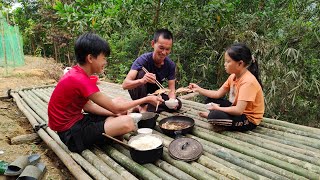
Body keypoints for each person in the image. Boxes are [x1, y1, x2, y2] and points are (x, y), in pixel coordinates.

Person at [48, 32, 163, 153]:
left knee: (120, 104)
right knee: (128, 123)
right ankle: (111, 132)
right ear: (90, 58)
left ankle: (111, 129)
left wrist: (115, 113)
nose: (105, 62)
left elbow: (88, 106)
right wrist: (146, 99)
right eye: (103, 58)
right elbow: (115, 108)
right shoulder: (80, 80)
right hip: (71, 134)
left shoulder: (77, 73)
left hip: (77, 121)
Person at [189, 43, 264, 131]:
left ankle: (217, 119)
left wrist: (217, 108)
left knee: (214, 116)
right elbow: (217, 94)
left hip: (248, 119)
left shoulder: (248, 82)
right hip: (236, 108)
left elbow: (239, 110)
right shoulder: (233, 76)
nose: (225, 64)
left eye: (228, 61)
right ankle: (219, 119)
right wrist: (198, 89)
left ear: (240, 63)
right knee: (210, 100)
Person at [122, 29, 181, 112]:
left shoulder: (170, 65)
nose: (164, 52)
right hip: (139, 93)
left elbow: (172, 89)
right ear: (153, 44)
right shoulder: (143, 60)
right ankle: (142, 105)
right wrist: (142, 81)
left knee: (177, 104)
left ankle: (140, 107)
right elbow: (125, 85)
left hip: (154, 94)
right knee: (142, 73)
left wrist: (172, 100)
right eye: (161, 48)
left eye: (167, 49)